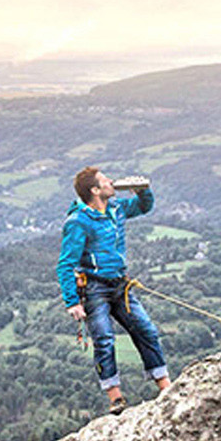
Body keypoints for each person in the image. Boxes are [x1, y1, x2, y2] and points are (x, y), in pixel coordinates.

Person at [57, 166, 171, 413]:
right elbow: (66, 264)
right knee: (104, 340)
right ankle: (115, 398)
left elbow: (143, 207)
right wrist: (72, 301)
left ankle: (165, 387)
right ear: (95, 190)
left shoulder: (115, 209)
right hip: (95, 288)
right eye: (104, 180)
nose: (111, 181)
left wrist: (143, 191)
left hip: (120, 284)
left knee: (146, 330)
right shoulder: (78, 222)